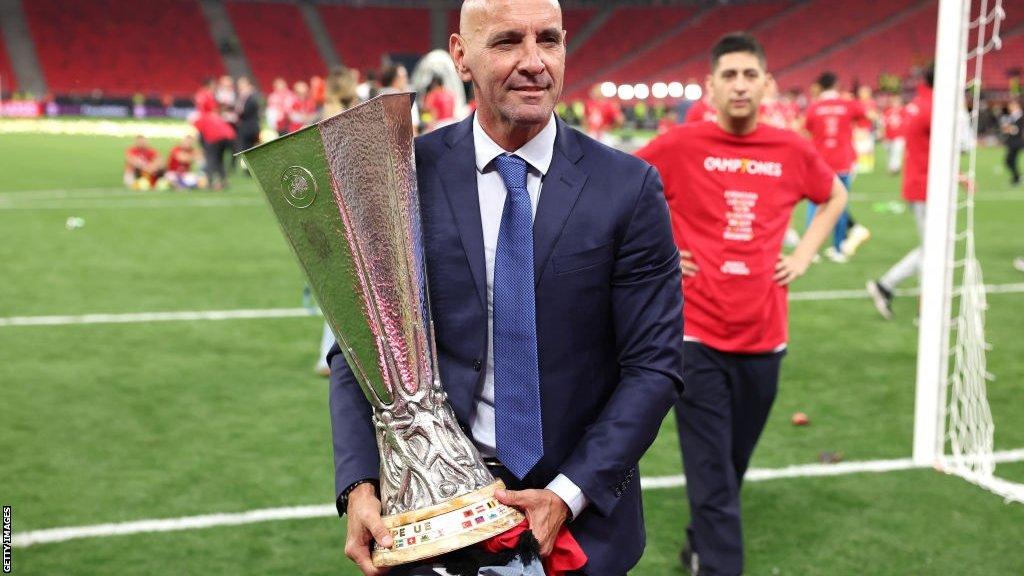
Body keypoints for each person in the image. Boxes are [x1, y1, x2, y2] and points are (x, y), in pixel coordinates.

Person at [329, 1, 684, 575]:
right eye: (506, 42)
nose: (533, 62)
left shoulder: (629, 188)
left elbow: (655, 366)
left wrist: (568, 493)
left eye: (548, 40)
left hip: (582, 522)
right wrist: (361, 486)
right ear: (460, 55)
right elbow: (358, 351)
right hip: (431, 513)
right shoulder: (403, 176)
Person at [636, 33, 848, 576]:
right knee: (712, 475)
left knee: (729, 467)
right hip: (696, 337)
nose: (738, 84)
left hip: (765, 337)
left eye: (749, 75)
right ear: (711, 86)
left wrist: (802, 253)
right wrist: (660, 251)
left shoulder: (791, 150)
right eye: (728, 75)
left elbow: (834, 197)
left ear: (766, 84)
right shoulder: (680, 144)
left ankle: (696, 545)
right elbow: (622, 189)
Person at [867, 68, 934, 319]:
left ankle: (885, 286)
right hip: (926, 186)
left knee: (933, 247)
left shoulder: (918, 104)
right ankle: (925, 310)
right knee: (934, 250)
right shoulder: (930, 107)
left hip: (919, 182)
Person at [803, 71, 867, 263]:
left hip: (819, 163)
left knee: (814, 206)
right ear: (836, 85)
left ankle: (811, 250)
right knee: (840, 205)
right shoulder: (847, 105)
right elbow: (865, 115)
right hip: (842, 163)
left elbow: (807, 129)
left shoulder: (814, 107)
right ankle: (838, 249)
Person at [193, 109, 236, 191]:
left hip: (215, 138)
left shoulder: (200, 119)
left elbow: (201, 136)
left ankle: (209, 182)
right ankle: (224, 181)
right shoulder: (212, 116)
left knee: (211, 160)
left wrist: (204, 148)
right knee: (219, 160)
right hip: (229, 137)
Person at [379, 63, 420, 134]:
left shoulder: (381, 95)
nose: (406, 80)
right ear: (394, 79)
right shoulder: (404, 99)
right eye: (403, 77)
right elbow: (413, 129)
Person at [234, 76, 261, 156]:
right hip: (245, 128)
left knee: (252, 151)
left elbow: (243, 111)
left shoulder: (252, 96)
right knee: (246, 151)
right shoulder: (242, 97)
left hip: (251, 128)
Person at [883, 93, 906, 174]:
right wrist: (883, 134)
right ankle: (891, 166)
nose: (895, 103)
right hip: (889, 136)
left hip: (900, 135)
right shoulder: (887, 112)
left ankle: (895, 167)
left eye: (897, 101)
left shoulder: (904, 111)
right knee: (889, 151)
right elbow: (884, 123)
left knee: (897, 151)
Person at [1001, 99, 1023, 186]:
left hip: (1017, 143)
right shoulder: (1012, 116)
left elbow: (1016, 129)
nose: (1009, 107)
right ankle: (1016, 178)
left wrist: (1009, 129)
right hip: (1013, 142)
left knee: (1010, 160)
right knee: (1010, 161)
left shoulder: (1019, 116)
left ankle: (1017, 178)